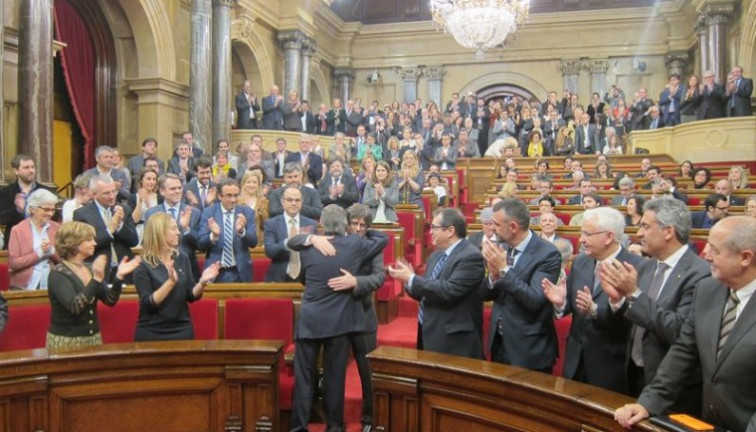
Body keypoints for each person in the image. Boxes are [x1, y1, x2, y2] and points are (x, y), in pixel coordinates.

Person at [614, 216, 756, 432]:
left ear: (745, 258)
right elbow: (683, 352)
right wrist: (648, 402)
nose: (705, 253)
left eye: (715, 250)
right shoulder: (708, 289)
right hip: (709, 421)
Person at [600, 197, 710, 414]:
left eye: (645, 226)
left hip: (674, 389)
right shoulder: (647, 267)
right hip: (636, 376)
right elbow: (635, 322)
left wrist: (633, 293)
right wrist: (618, 301)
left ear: (668, 231)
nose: (639, 233)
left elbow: (679, 331)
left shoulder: (700, 274)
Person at [287, 205, 388, 432]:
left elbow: (300, 269)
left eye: (363, 225)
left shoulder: (310, 248)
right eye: (354, 224)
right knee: (335, 379)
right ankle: (334, 427)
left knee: (305, 378)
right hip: (338, 323)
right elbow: (383, 238)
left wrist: (312, 238)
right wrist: (314, 237)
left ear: (322, 223)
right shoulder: (354, 243)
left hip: (322, 321)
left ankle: (299, 428)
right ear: (346, 224)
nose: (358, 228)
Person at [543, 207, 643, 394]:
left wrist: (595, 310)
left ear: (608, 237)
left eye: (587, 234)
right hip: (575, 361)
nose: (581, 240)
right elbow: (572, 306)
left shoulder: (635, 268)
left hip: (610, 366)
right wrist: (560, 303)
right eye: (582, 234)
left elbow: (636, 320)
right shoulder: (581, 262)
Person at [389, 208, 485, 358]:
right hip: (429, 331)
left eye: (434, 227)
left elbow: (449, 290)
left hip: (454, 341)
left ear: (450, 231)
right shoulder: (436, 255)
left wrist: (412, 279)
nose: (430, 232)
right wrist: (409, 281)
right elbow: (427, 290)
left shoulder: (471, 256)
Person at [480, 198, 562, 373]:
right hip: (499, 342)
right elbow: (484, 295)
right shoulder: (500, 246)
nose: (492, 228)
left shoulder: (547, 254)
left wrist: (503, 270)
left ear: (513, 227)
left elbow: (534, 300)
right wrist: (493, 278)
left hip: (529, 348)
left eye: (496, 224)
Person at [46, 221, 140, 349]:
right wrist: (96, 279)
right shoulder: (58, 274)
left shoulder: (90, 269)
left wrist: (119, 277)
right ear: (74, 243)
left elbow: (110, 300)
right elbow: (75, 307)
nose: (94, 243)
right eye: (89, 240)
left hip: (93, 339)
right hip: (67, 342)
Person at [133, 213, 220, 341]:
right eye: (173, 228)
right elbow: (148, 304)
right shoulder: (142, 265)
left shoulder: (181, 258)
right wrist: (171, 282)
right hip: (152, 331)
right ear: (159, 232)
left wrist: (202, 282)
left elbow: (190, 295)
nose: (178, 232)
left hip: (182, 328)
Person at [73, 175, 139, 282]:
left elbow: (134, 241)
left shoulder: (124, 210)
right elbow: (84, 245)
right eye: (106, 193)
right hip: (98, 271)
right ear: (94, 194)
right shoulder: (81, 214)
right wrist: (110, 230)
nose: (112, 196)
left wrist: (120, 225)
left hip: (123, 270)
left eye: (114, 192)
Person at [197, 178, 258, 282]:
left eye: (236, 195)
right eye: (229, 195)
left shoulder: (247, 212)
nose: (233, 200)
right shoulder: (209, 213)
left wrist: (242, 232)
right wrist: (213, 236)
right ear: (220, 196)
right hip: (215, 272)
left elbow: (253, 242)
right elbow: (200, 245)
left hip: (240, 272)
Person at [144, 173, 202, 280]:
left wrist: (186, 229)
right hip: (159, 269)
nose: (178, 191)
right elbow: (148, 243)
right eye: (173, 189)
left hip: (188, 269)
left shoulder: (194, 213)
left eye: (179, 188)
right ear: (162, 191)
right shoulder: (151, 214)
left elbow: (200, 244)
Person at [8, 189, 61, 290]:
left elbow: (65, 261)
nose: (50, 213)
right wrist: (39, 254)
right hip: (24, 286)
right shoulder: (18, 230)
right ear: (33, 209)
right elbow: (14, 264)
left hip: (52, 284)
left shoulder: (57, 229)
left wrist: (51, 251)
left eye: (53, 210)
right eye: (46, 209)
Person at [0, 154, 56, 249]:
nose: (31, 171)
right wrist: (18, 209)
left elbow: (55, 216)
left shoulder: (46, 191)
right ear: (16, 171)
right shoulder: (5, 192)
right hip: (16, 242)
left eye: (32, 167)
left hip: (43, 240)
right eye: (26, 167)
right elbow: (2, 218)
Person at [263, 186, 318, 282]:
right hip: (279, 277)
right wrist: (287, 243)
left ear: (301, 202)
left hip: (305, 277)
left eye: (297, 200)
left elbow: (315, 253)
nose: (294, 203)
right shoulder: (271, 224)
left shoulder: (311, 224)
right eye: (290, 200)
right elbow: (269, 251)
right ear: (282, 202)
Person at [129, 168, 161, 243]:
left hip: (155, 231)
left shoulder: (160, 198)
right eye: (148, 179)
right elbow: (134, 220)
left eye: (154, 179)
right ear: (141, 180)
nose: (151, 182)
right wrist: (140, 201)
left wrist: (148, 204)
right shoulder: (133, 197)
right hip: (139, 231)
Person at [238, 170, 269, 242]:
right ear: (243, 184)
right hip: (239, 241)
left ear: (258, 185)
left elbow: (266, 225)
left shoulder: (264, 202)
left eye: (254, 182)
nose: (251, 185)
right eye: (248, 182)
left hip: (257, 241)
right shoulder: (237, 202)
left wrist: (262, 214)